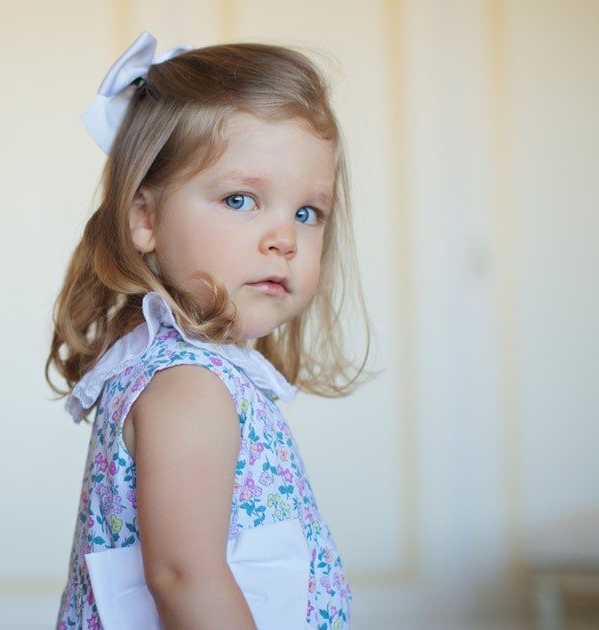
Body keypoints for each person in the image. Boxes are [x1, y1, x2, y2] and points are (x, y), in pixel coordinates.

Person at [48, 31, 369, 629]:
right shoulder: (190, 384)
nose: (285, 237)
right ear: (145, 217)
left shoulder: (187, 371)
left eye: (306, 213)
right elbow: (182, 577)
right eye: (242, 199)